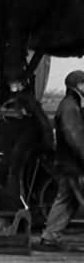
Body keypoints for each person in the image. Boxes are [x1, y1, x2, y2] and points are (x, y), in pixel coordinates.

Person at [0, 74, 53, 212]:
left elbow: (42, 124)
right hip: (11, 140)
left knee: (14, 168)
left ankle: (16, 202)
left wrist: (47, 145)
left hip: (23, 142)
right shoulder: (4, 97)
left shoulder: (24, 101)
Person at [39, 70, 84, 248]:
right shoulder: (69, 107)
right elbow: (75, 137)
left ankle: (50, 236)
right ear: (78, 86)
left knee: (66, 201)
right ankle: (50, 236)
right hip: (74, 165)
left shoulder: (72, 105)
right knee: (68, 199)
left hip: (68, 164)